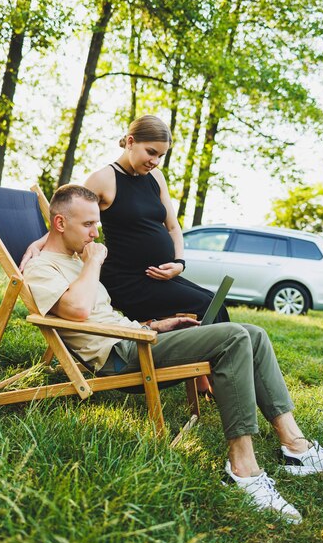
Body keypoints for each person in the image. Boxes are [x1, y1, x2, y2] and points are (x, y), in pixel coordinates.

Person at [23, 184, 323, 525]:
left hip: (137, 337)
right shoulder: (42, 268)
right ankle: (243, 469)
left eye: (97, 224)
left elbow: (104, 314)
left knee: (254, 333)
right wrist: (96, 261)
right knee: (234, 338)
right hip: (121, 356)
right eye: (88, 224)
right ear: (60, 224)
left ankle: (294, 446)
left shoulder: (78, 259)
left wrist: (157, 325)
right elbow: (76, 311)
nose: (95, 233)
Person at [20, 114, 229, 396]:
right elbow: (72, 215)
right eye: (151, 152)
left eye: (161, 155)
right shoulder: (104, 178)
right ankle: (214, 378)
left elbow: (173, 226)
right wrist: (39, 242)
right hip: (127, 280)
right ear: (130, 142)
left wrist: (179, 263)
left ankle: (208, 374)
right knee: (205, 303)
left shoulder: (156, 177)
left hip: (159, 276)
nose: (155, 160)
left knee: (216, 302)